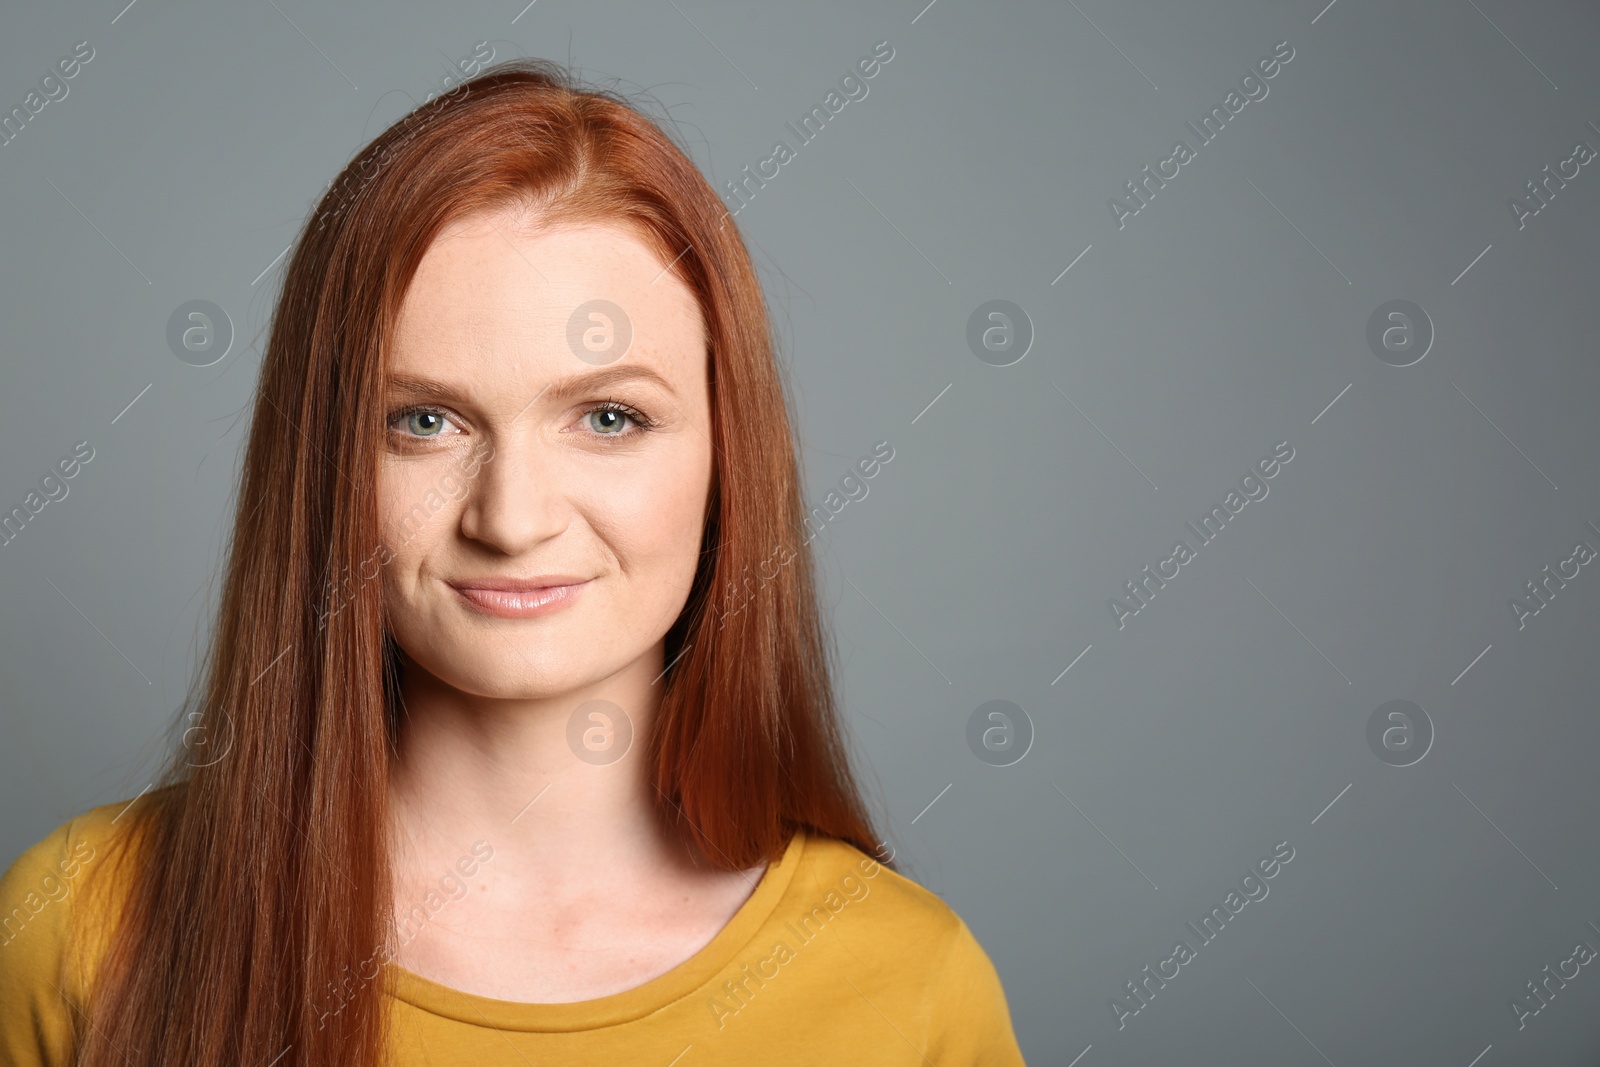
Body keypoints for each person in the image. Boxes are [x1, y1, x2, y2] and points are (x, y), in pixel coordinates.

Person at [0, 58, 1026, 1066]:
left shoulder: (911, 985)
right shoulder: (75, 930)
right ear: (323, 464)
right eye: (425, 421)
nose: (512, 515)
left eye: (609, 415)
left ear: (727, 455)